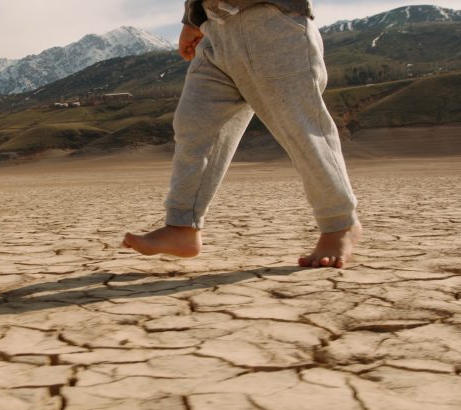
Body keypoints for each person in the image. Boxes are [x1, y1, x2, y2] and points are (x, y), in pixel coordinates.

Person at [122, 0, 362, 268]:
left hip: (273, 23)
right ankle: (182, 227)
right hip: (215, 32)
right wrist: (192, 18)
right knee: (194, 125)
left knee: (300, 127)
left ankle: (339, 223)